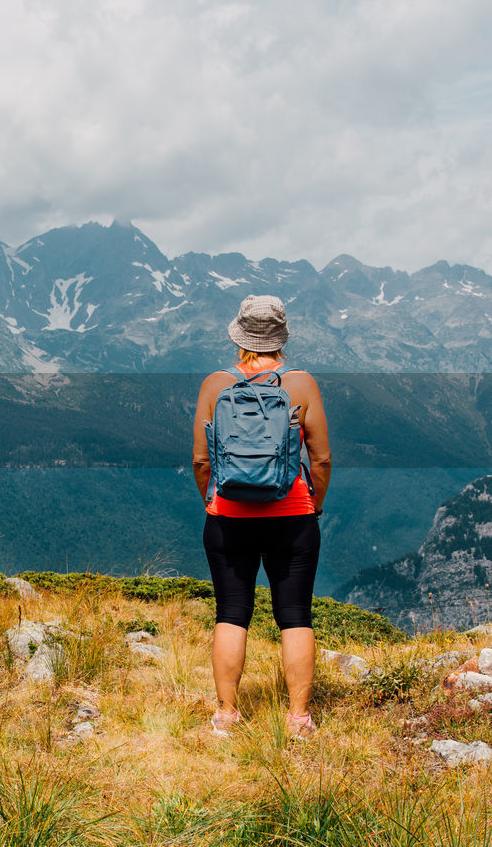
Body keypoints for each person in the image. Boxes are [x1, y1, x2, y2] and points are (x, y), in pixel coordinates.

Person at [191, 294, 332, 739]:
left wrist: (214, 501)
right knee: (295, 615)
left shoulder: (216, 385)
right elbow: (322, 458)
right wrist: (315, 504)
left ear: (239, 335)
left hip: (228, 516)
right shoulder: (302, 385)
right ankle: (298, 720)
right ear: (281, 338)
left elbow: (200, 460)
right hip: (291, 515)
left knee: (232, 611)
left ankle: (227, 716)